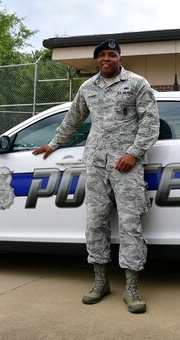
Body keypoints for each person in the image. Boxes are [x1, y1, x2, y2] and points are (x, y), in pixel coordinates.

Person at [32, 39, 159, 314]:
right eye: (101, 55)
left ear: (119, 58)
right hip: (96, 165)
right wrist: (54, 144)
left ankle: (132, 287)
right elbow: (73, 118)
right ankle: (100, 281)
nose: (106, 59)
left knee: (130, 224)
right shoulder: (88, 88)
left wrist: (133, 154)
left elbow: (150, 123)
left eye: (111, 54)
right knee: (95, 223)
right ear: (96, 60)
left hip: (126, 167)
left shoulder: (137, 83)